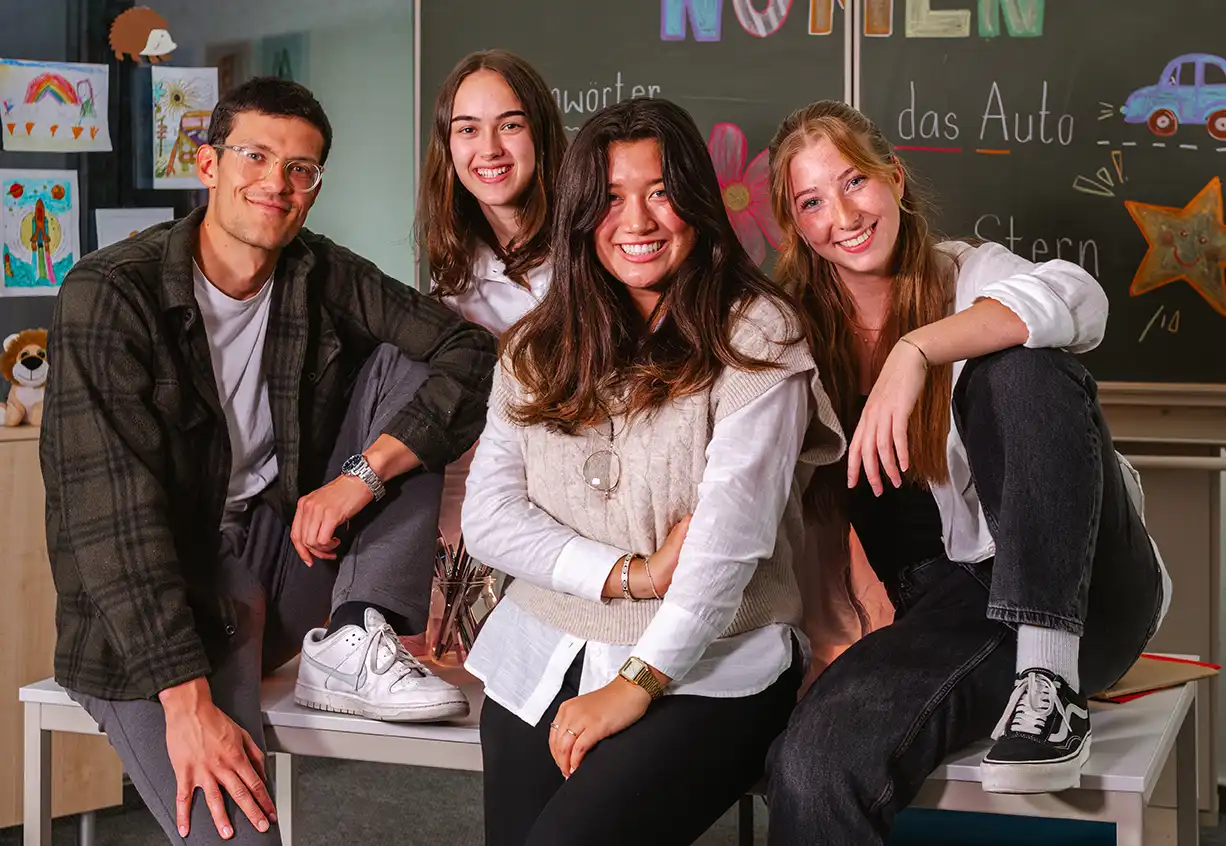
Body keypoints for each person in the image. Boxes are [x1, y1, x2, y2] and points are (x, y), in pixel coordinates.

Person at [41, 77, 496, 845]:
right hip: (158, 599)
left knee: (415, 363)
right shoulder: (109, 293)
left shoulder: (318, 271)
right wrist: (187, 708)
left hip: (283, 560)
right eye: (256, 155)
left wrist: (360, 478)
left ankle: (356, 631)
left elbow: (468, 354)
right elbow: (112, 525)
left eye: (302, 170)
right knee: (241, 828)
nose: (277, 184)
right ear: (208, 163)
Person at [762, 100, 1171, 845]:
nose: (843, 215)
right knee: (812, 762)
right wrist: (833, 636)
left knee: (1019, 365)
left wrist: (916, 350)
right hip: (947, 606)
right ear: (794, 226)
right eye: (812, 201)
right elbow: (813, 509)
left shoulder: (967, 272)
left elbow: (1081, 299)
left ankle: (1050, 680)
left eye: (854, 182)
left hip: (1088, 588)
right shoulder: (792, 335)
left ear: (894, 177)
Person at [459, 97, 844, 846]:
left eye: (660, 193)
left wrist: (633, 685)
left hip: (710, 663)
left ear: (698, 202)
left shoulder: (759, 338)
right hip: (544, 646)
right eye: (608, 198)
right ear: (579, 215)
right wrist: (628, 573)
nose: (636, 222)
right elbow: (490, 520)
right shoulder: (538, 347)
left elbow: (723, 553)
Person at [419, 48, 565, 545]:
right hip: (501, 529)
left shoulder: (601, 250)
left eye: (509, 125)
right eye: (467, 129)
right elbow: (462, 452)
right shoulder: (454, 289)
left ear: (540, 134)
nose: (489, 149)